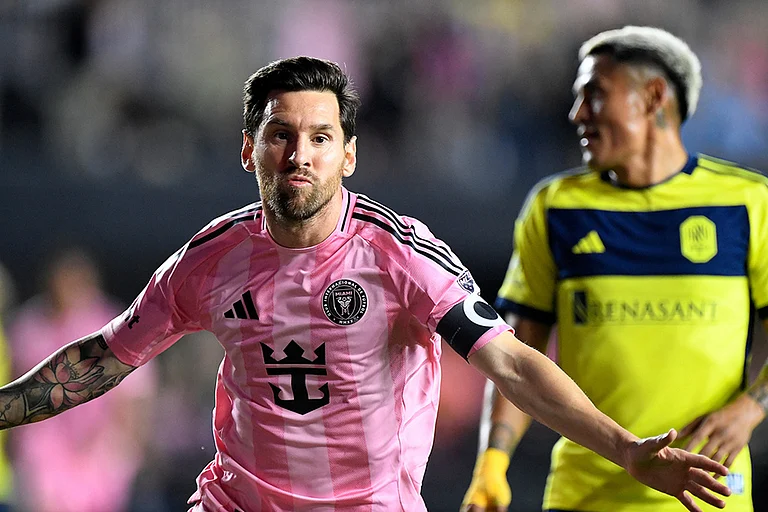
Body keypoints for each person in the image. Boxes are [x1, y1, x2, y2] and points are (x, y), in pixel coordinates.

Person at [0, 56, 730, 512]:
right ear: (248, 150)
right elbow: (103, 356)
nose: (299, 155)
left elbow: (509, 362)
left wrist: (625, 447)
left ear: (349, 155)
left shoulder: (398, 255)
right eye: (281, 135)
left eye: (320, 137)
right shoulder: (208, 260)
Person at [461, 26, 768, 512]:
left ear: (653, 98)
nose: (576, 114)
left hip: (710, 493)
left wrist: (754, 406)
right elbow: (518, 356)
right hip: (582, 495)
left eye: (594, 95)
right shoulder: (556, 206)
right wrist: (492, 464)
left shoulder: (747, 203)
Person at [6, 246, 157, 512]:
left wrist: (131, 443)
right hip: (46, 445)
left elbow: (136, 393)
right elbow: (18, 388)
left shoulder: (114, 323)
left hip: (100, 443)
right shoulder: (31, 325)